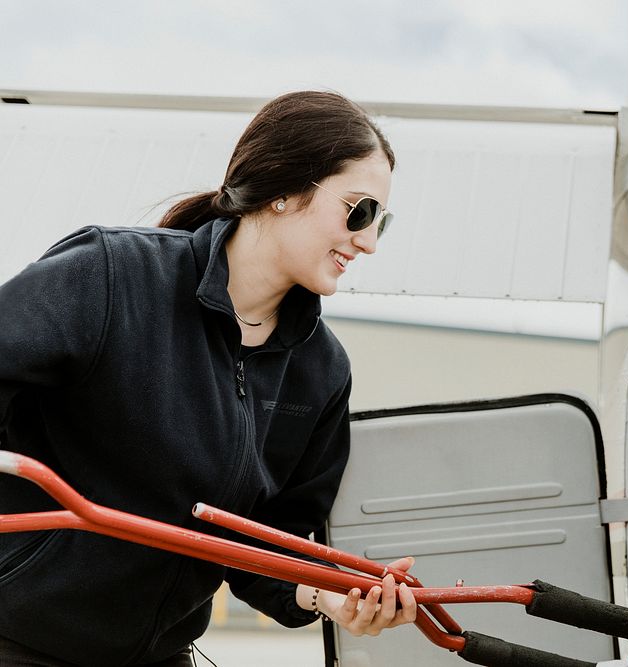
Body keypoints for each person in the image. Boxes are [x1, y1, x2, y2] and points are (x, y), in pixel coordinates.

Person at [0, 90, 417, 666]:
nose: (367, 242)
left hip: (160, 655)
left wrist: (328, 594)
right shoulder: (113, 277)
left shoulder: (320, 371)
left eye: (381, 222)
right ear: (283, 191)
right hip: (19, 642)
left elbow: (269, 541)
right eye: (359, 210)